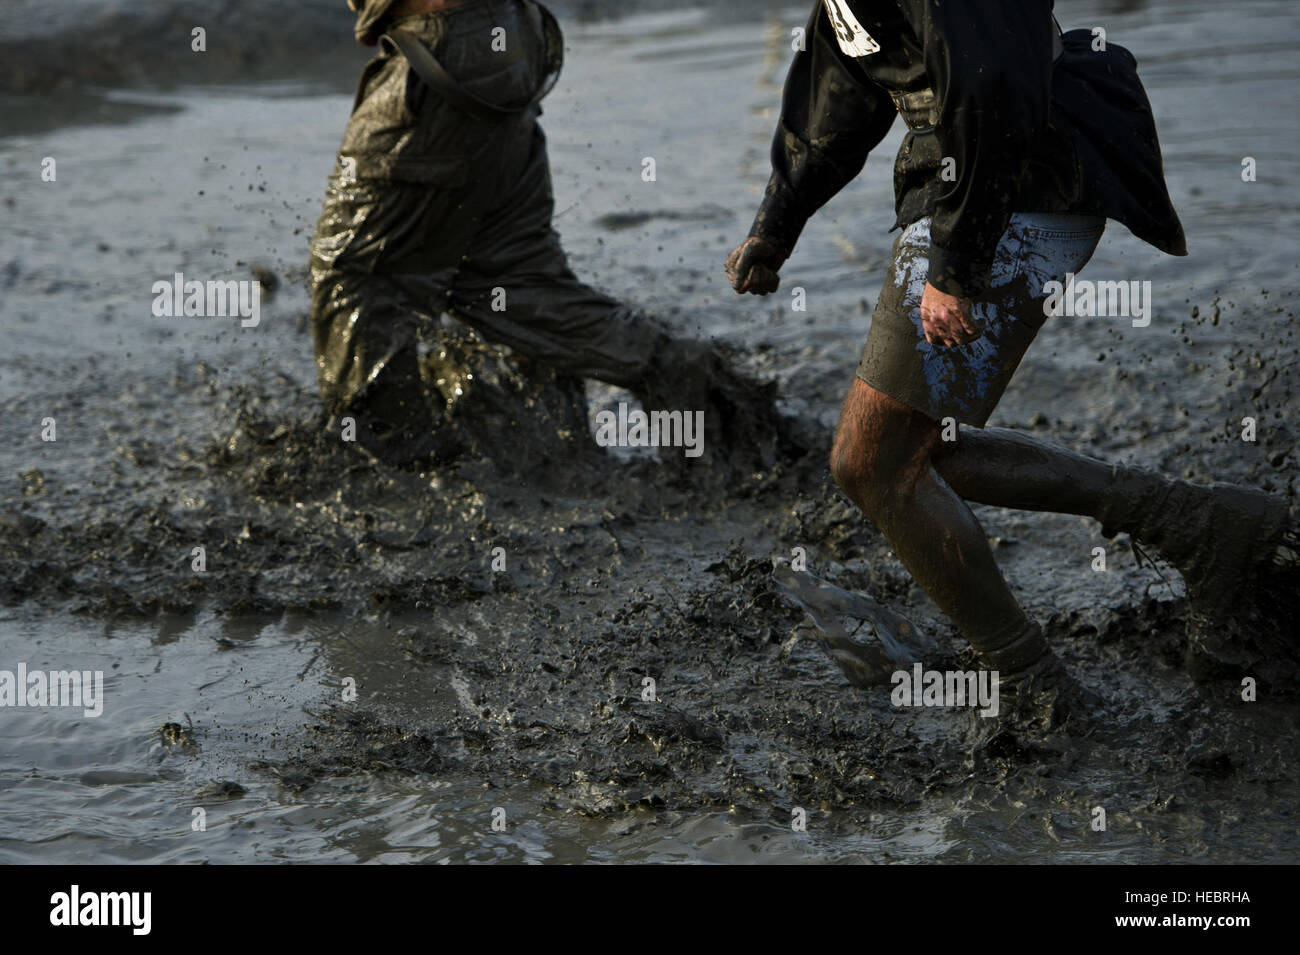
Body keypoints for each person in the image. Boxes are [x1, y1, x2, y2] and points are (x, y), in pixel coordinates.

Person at [726, 0, 1297, 720]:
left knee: (874, 462)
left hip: (1024, 172)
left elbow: (994, 87)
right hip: (968, 177)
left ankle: (1035, 685)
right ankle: (1202, 527)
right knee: (906, 455)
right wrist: (774, 227)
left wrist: (956, 267)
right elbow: (836, 95)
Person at [312, 0, 786, 471]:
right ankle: (662, 367)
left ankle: (395, 467)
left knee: (356, 280)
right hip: (505, 34)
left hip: (441, 50)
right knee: (513, 277)